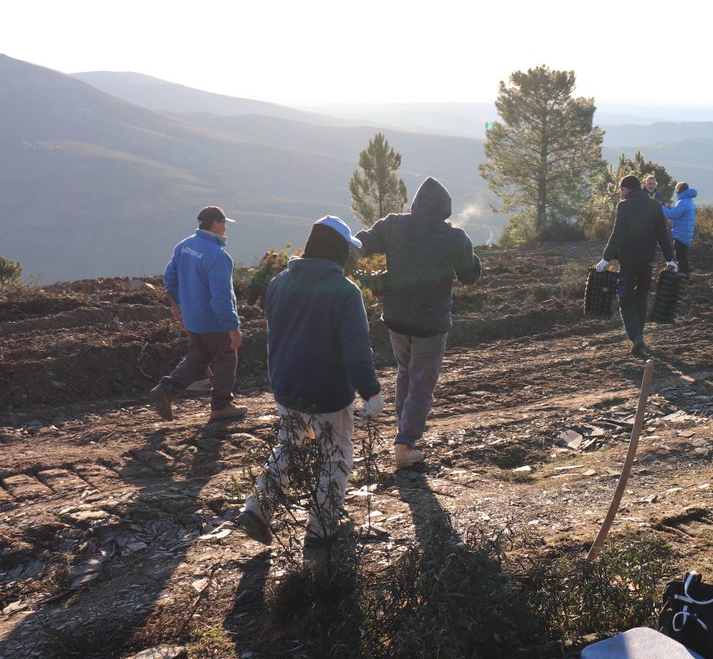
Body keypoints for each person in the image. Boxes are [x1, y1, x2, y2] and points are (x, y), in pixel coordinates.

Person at [238, 216, 383, 551]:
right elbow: (357, 349)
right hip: (329, 392)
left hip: (287, 386)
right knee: (336, 456)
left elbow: (278, 333)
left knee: (289, 446)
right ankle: (322, 528)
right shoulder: (345, 291)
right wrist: (371, 391)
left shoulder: (279, 282)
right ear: (338, 251)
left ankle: (258, 508)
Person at [355, 178, 482, 471]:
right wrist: (469, 252)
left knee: (405, 372)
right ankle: (405, 443)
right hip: (431, 324)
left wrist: (366, 276)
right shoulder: (454, 237)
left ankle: (404, 431)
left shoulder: (392, 225)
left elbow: (359, 243)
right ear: (445, 209)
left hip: (396, 319)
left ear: (415, 203)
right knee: (422, 385)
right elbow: (470, 276)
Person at [149, 206, 245, 422]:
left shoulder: (184, 246)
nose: (226, 227)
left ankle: (165, 390)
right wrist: (233, 327)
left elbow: (169, 279)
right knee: (226, 359)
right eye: (224, 222)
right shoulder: (218, 256)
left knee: (197, 358)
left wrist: (178, 305)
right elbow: (221, 297)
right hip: (214, 322)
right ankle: (221, 406)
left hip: (192, 319)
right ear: (215, 223)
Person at [596, 175, 677, 357]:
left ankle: (635, 337)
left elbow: (617, 234)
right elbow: (662, 234)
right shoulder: (654, 205)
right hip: (647, 261)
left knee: (625, 298)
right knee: (641, 297)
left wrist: (605, 259)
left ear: (630, 188)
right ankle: (639, 336)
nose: (620, 193)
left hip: (628, 262)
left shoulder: (624, 206)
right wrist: (670, 259)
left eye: (622, 189)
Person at [662, 182, 698, 275]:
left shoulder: (683, 202)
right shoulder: (688, 200)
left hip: (681, 234)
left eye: (676, 190)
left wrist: (662, 208)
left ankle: (684, 275)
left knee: (681, 257)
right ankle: (684, 274)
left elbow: (672, 214)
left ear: (679, 190)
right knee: (683, 256)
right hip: (685, 234)